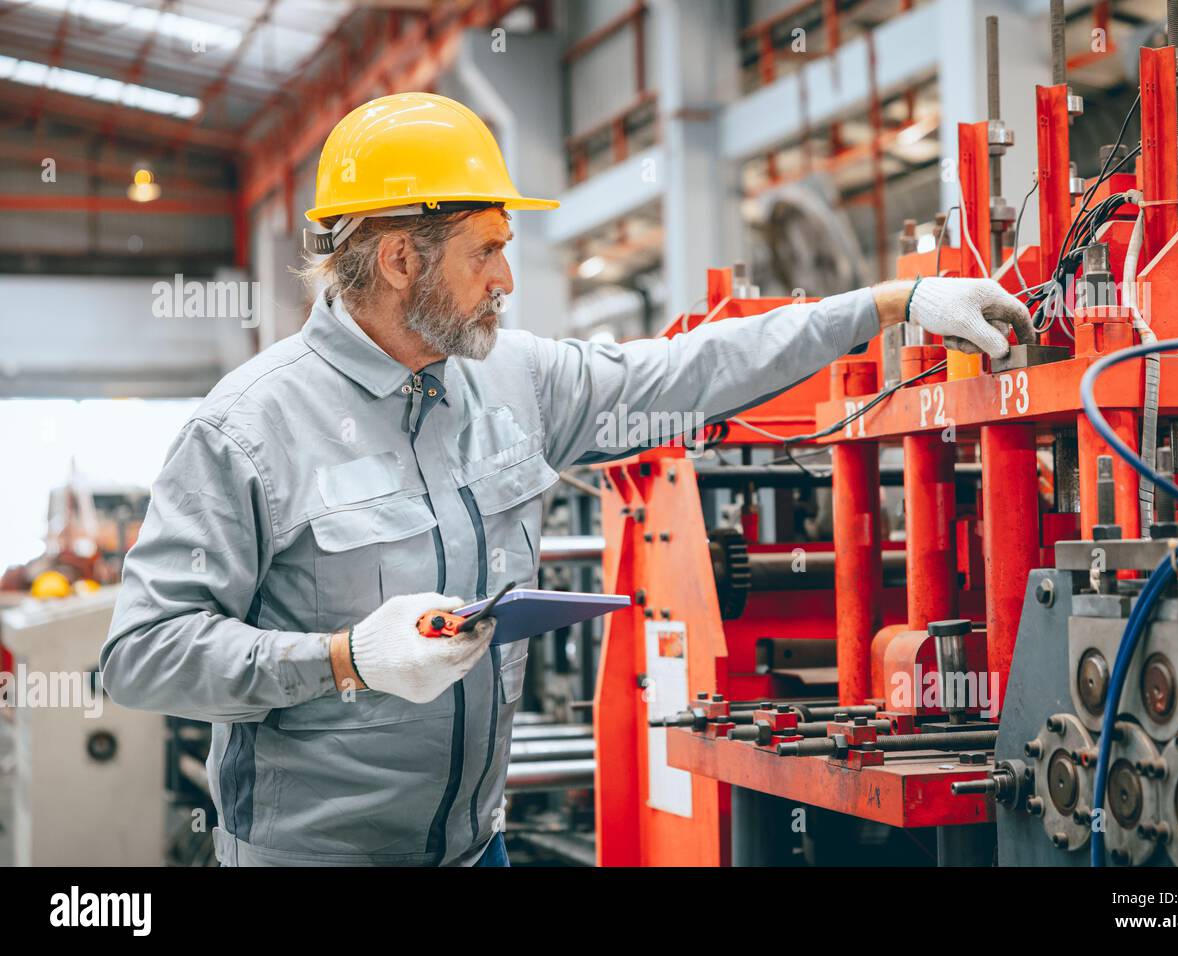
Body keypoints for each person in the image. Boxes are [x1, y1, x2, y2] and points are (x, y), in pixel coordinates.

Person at [102, 92, 1033, 867]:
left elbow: (688, 372)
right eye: (486, 252)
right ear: (396, 259)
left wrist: (885, 304)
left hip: (478, 850)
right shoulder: (248, 427)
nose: (508, 278)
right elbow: (141, 658)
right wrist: (344, 659)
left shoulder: (515, 379)